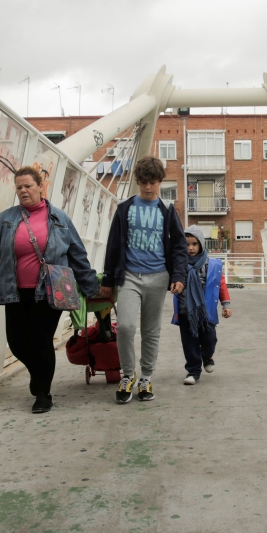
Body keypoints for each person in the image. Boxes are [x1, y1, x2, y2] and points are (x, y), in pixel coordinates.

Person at [0, 166, 98, 414]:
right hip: (15, 291)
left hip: (50, 291)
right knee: (16, 342)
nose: (23, 191)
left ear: (41, 187)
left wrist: (91, 286)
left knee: (40, 340)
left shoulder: (60, 219)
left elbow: (77, 254)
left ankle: (43, 393)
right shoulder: (5, 219)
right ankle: (37, 373)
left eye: (28, 186)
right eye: (19, 187)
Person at [98, 156, 188, 404]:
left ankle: (146, 377)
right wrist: (107, 279)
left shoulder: (168, 211)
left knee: (151, 331)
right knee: (125, 326)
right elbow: (113, 245)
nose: (148, 187)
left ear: (160, 181)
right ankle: (128, 375)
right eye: (143, 182)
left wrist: (178, 275)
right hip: (129, 277)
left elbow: (179, 247)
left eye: (153, 182)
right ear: (137, 181)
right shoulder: (124, 208)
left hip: (158, 278)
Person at [172, 225, 231, 384]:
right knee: (189, 342)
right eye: (186, 244)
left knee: (210, 339)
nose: (190, 248)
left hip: (206, 311)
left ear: (201, 245)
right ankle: (193, 371)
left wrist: (226, 305)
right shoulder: (179, 265)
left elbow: (221, 284)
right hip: (186, 310)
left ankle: (207, 355)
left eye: (194, 244)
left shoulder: (211, 265)